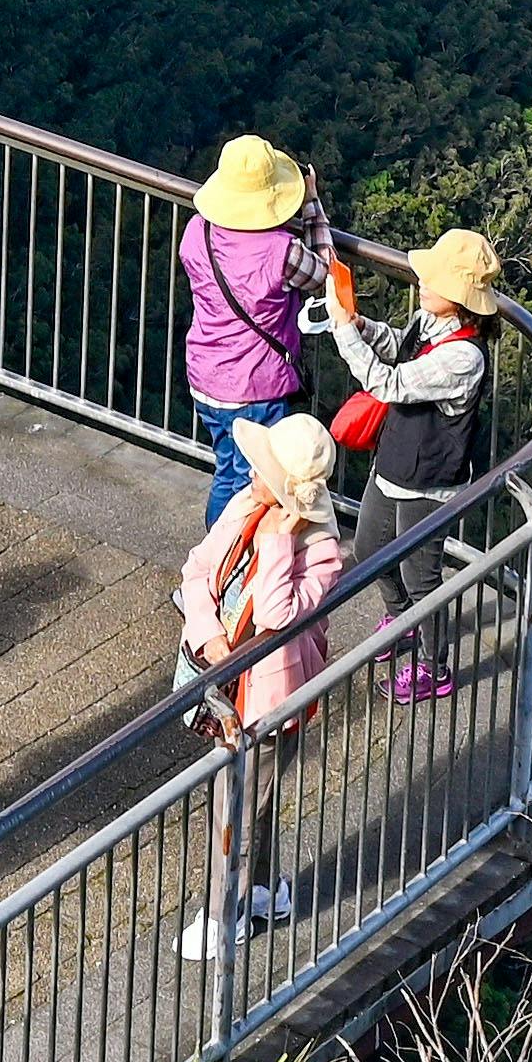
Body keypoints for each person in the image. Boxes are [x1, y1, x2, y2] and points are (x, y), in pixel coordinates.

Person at [173, 409, 345, 955]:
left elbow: (277, 615)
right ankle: (266, 890)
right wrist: (208, 636)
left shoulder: (320, 549)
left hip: (273, 694)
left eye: (262, 470)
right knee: (253, 796)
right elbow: (196, 569)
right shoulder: (248, 502)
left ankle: (227, 916)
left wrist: (279, 539)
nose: (250, 474)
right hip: (231, 675)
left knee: (238, 803)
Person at [324, 230, 501, 707]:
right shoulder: (429, 322)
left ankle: (434, 667)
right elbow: (397, 346)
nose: (422, 282)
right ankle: (402, 621)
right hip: (396, 463)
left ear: (461, 299)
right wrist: (361, 326)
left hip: (429, 483)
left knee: (421, 575)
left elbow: (390, 383)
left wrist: (343, 334)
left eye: (434, 278)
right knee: (369, 548)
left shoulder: (464, 357)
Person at [177, 136, 322, 532]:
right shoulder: (283, 251)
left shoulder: (196, 232)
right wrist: (312, 208)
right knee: (249, 484)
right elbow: (322, 271)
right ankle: (224, 574)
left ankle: (215, 569)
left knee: (228, 468)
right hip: (256, 388)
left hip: (205, 376)